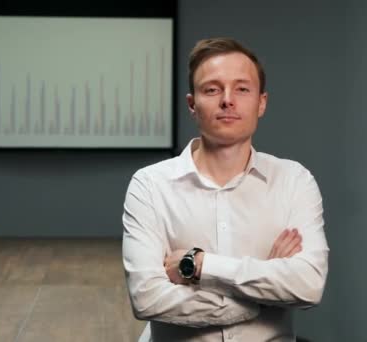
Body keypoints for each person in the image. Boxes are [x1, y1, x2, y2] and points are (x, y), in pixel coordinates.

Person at [122, 37, 329, 341]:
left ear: (261, 103)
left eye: (242, 89)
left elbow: (309, 285)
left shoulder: (294, 180)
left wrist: (200, 266)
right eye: (212, 89)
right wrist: (261, 291)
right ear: (193, 105)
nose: (228, 100)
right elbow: (147, 298)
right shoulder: (149, 185)